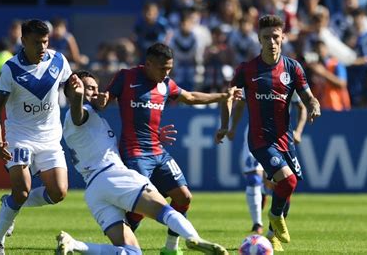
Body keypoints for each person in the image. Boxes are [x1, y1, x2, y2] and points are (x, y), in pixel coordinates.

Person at [58, 70, 228, 255]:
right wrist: (77, 98)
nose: (96, 92)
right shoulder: (81, 114)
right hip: (112, 176)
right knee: (163, 210)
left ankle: (74, 245)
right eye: (89, 88)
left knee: (132, 252)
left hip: (94, 191)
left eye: (96, 88)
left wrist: (153, 135)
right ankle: (194, 238)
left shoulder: (86, 121)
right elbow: (78, 115)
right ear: (72, 91)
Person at [105, 43, 239, 254]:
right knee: (140, 207)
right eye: (162, 68)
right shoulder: (126, 77)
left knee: (184, 197)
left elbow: (191, 97)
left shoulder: (166, 84)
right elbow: (105, 101)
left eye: (169, 69)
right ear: (148, 64)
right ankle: (123, 246)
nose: (166, 73)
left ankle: (170, 248)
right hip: (135, 154)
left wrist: (223, 97)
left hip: (158, 151)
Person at [215, 14, 321, 251]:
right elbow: (229, 97)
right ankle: (271, 218)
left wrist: (315, 104)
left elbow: (307, 97)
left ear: (283, 37)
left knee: (288, 188)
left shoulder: (293, 68)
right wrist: (225, 125)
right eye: (266, 37)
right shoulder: (247, 69)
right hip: (260, 139)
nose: (271, 42)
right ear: (259, 39)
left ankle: (272, 236)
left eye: (275, 37)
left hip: (285, 138)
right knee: (288, 180)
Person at [0, 19, 72, 255]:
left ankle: (10, 204)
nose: (43, 47)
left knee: (58, 193)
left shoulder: (58, 60)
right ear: (23, 41)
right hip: (20, 137)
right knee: (23, 190)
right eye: (37, 42)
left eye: (45, 41)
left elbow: (69, 85)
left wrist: (79, 92)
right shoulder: (10, 69)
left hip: (50, 138)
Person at [217, 91, 307, 251]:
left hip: (282, 139)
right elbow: (239, 105)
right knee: (254, 179)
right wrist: (231, 127)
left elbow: (302, 107)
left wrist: (299, 131)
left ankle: (272, 235)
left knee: (286, 184)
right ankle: (257, 224)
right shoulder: (252, 74)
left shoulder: (288, 75)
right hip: (256, 136)